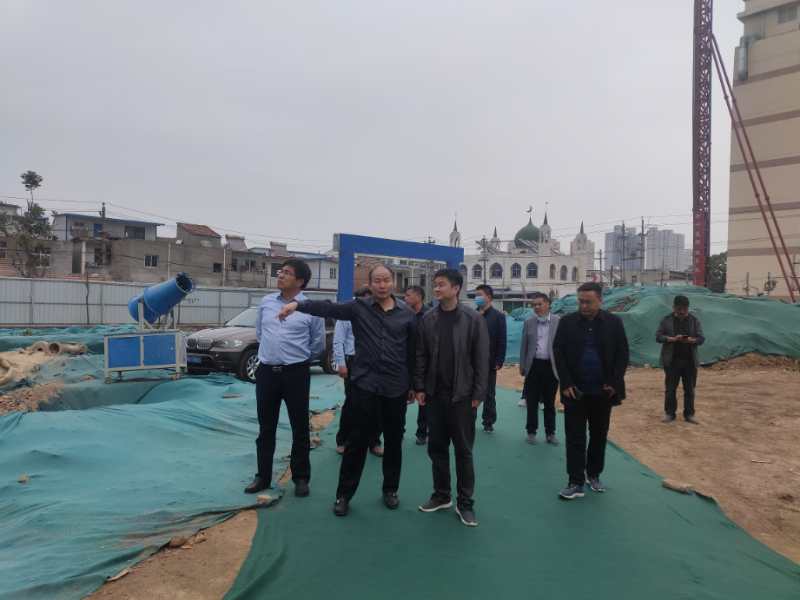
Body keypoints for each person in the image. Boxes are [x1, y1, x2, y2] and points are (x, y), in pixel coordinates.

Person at [278, 264, 417, 517]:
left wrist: (413, 385)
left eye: (386, 280)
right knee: (356, 443)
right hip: (364, 385)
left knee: (394, 442)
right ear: (370, 284)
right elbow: (327, 308)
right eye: (377, 280)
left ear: (393, 283)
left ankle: (390, 490)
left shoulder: (407, 314)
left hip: (395, 387)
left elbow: (413, 352)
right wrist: (297, 305)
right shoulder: (358, 308)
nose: (382, 285)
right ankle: (343, 495)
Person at [244, 259, 325, 498]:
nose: (280, 275)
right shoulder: (267, 302)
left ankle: (301, 478)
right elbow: (261, 333)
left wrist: (297, 360)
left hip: (296, 373)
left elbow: (317, 344)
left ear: (300, 281)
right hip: (267, 372)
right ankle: (262, 477)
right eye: (280, 271)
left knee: (299, 427)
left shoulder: (310, 308)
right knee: (265, 427)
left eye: (287, 273)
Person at [415, 268, 488, 527]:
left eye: (441, 284)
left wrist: (478, 392)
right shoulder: (428, 319)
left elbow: (481, 359)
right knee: (437, 449)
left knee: (463, 451)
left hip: (463, 397)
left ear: (456, 288)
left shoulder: (473, 319)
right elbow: (421, 355)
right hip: (435, 396)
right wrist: (420, 386)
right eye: (435, 284)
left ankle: (465, 503)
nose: (436, 289)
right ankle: (441, 495)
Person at [553, 282, 629, 500]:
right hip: (574, 392)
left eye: (588, 302)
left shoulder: (613, 323)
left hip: (603, 392)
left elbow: (622, 354)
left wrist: (614, 382)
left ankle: (593, 474)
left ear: (600, 300)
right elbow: (558, 352)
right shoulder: (567, 322)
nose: (584, 306)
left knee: (598, 436)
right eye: (581, 302)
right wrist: (566, 383)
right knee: (575, 437)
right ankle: (575, 481)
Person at [333, 287, 383, 456]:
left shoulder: (378, 314)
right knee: (352, 403)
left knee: (376, 403)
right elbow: (338, 341)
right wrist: (341, 364)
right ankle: (343, 440)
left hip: (374, 363)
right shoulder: (347, 314)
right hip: (353, 362)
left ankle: (374, 442)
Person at [519, 292, 561, 445]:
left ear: (548, 304)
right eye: (534, 305)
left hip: (551, 367)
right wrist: (522, 365)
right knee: (532, 401)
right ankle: (531, 432)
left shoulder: (558, 321)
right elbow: (524, 345)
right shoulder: (529, 322)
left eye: (539, 304)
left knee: (549, 402)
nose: (536, 307)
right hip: (534, 366)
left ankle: (550, 433)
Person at [656, 295, 705, 424]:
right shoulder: (666, 320)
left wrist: (692, 340)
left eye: (684, 309)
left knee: (690, 389)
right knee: (670, 389)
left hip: (690, 361)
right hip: (672, 361)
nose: (682, 312)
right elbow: (658, 337)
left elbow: (701, 339)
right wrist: (672, 339)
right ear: (674, 307)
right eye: (679, 309)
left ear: (688, 308)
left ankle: (689, 414)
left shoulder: (694, 321)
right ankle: (670, 414)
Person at [474, 284, 507, 433]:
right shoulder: (471, 315)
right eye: (476, 295)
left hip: (489, 361)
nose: (477, 298)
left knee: (489, 393)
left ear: (489, 297)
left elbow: (502, 340)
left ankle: (488, 421)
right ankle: (469, 419)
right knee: (470, 392)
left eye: (479, 295)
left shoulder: (498, 317)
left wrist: (499, 360)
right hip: (471, 362)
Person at [404, 285, 430, 445]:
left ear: (419, 297)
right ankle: (398, 431)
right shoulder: (403, 314)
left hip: (424, 364)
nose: (405, 298)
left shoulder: (430, 316)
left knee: (423, 399)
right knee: (401, 398)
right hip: (405, 363)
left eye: (408, 295)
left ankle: (422, 432)